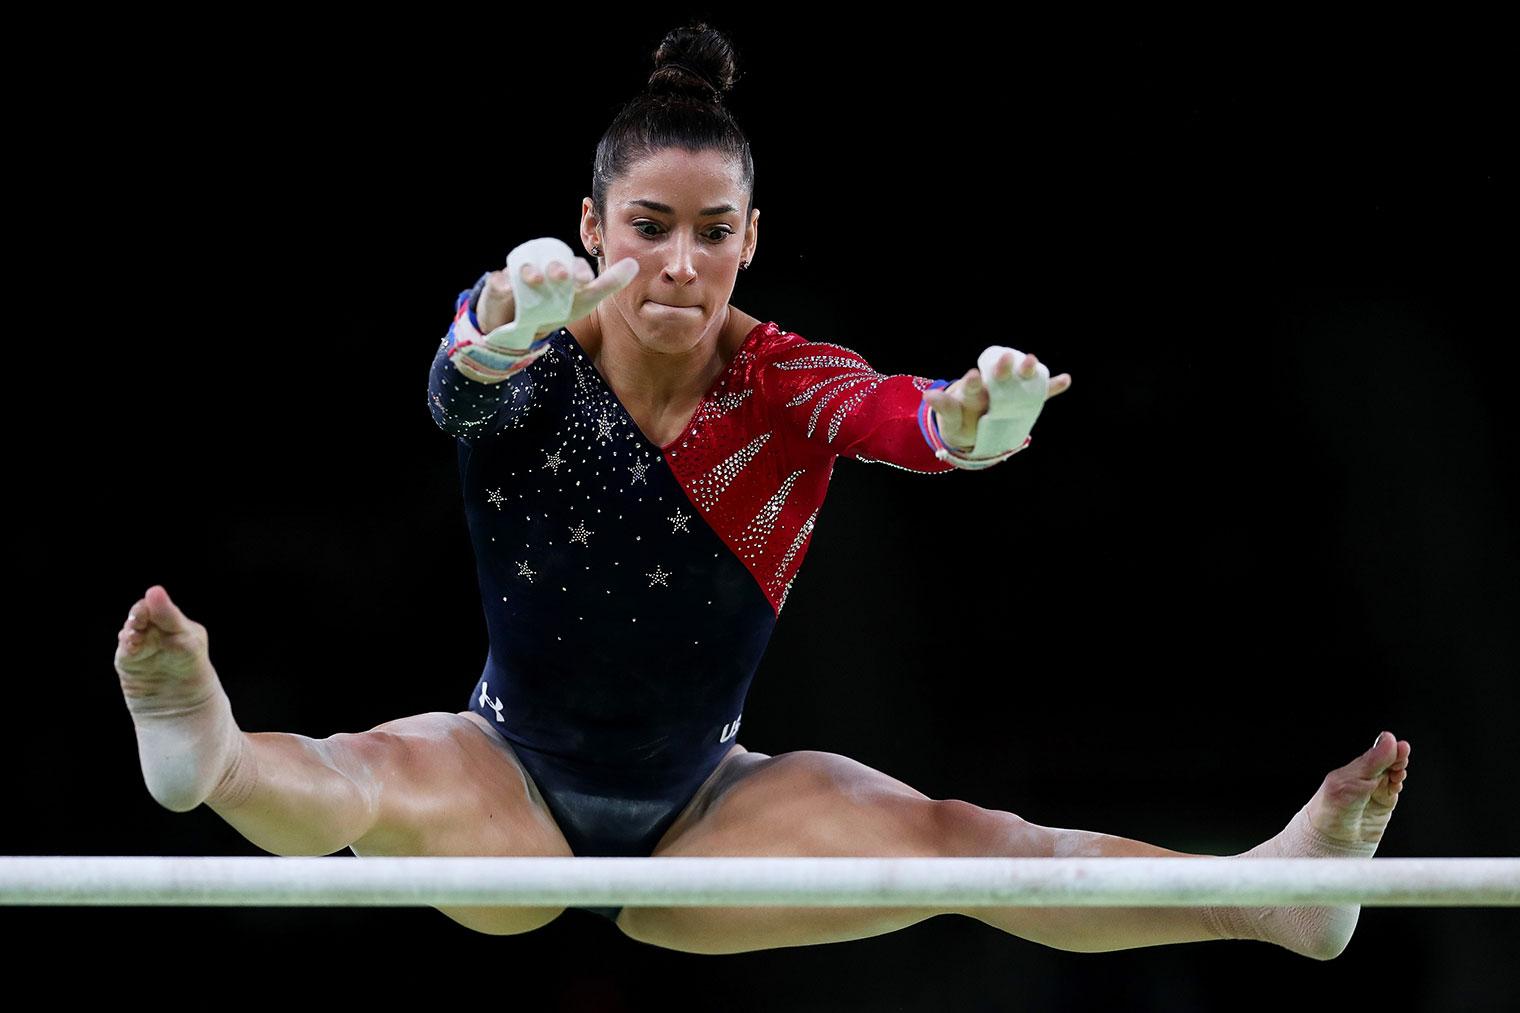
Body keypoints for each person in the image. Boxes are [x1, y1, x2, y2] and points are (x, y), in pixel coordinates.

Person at [114, 22, 1410, 958]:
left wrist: (971, 419)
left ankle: (1266, 895)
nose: (680, 263)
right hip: (505, 776)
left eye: (714, 230)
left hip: (712, 812)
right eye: (650, 226)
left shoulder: (782, 375)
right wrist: (508, 324)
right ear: (592, 224)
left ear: (750, 236)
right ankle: (209, 747)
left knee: (970, 837)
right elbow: (460, 383)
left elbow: (892, 416)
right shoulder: (527, 340)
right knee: (364, 773)